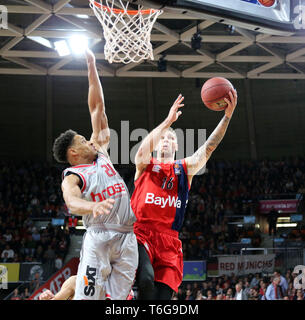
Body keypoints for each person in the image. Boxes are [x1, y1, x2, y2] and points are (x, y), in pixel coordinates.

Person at [131, 89, 238, 300]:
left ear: (177, 145)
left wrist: (227, 117)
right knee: (145, 280)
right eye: (162, 137)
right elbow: (141, 152)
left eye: (170, 138)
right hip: (140, 234)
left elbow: (208, 148)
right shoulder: (145, 165)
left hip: (169, 241)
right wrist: (167, 123)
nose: (165, 140)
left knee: (162, 298)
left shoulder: (184, 169)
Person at [52, 49, 138, 300]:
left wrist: (91, 65)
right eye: (82, 140)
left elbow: (97, 107)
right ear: (73, 152)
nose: (89, 141)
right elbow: (71, 201)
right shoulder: (73, 175)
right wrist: (92, 206)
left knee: (118, 302)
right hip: (99, 236)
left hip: (127, 236)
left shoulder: (100, 151)